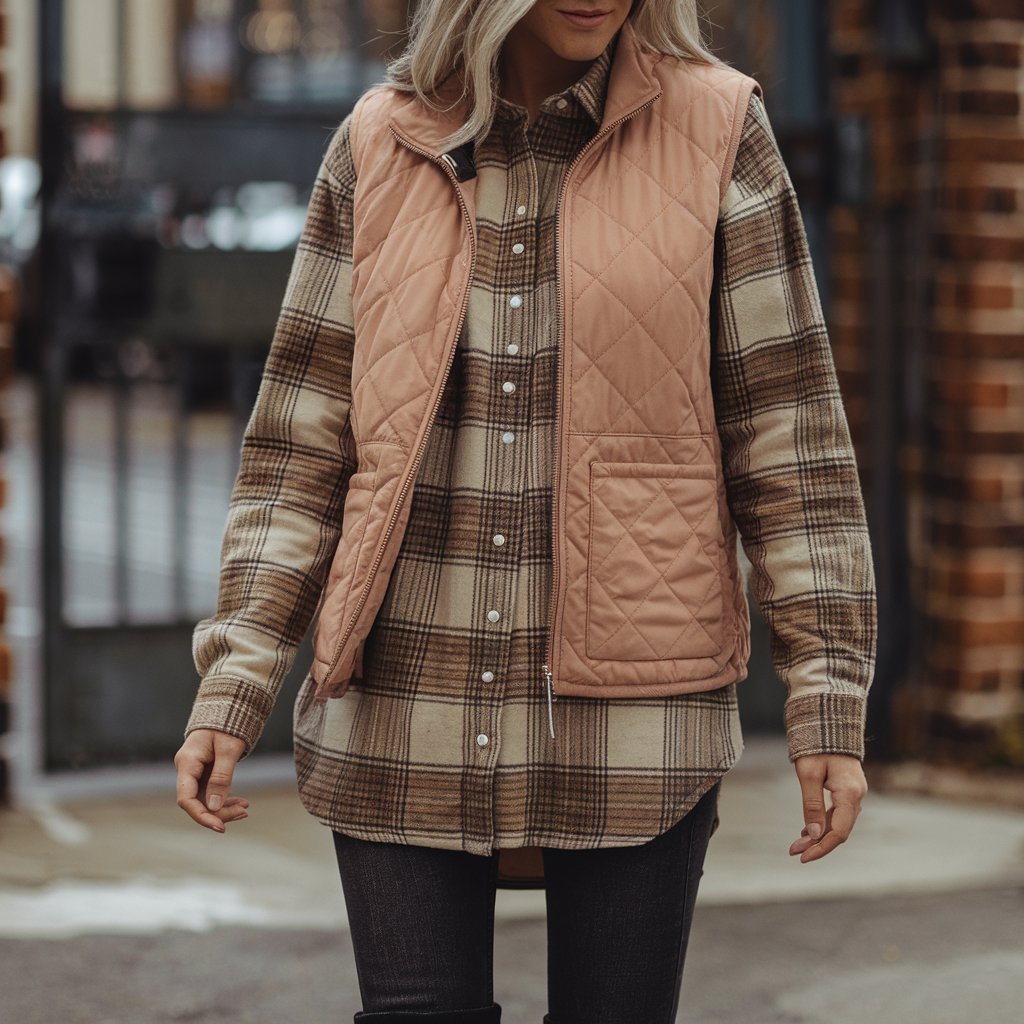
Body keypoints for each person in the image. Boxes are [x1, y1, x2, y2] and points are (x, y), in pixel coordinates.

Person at [174, 2, 877, 1022]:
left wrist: (826, 692)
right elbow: (300, 443)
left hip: (638, 711)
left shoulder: (721, 127)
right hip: (403, 694)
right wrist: (235, 676)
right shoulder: (378, 141)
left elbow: (789, 430)